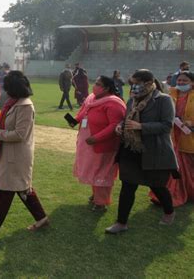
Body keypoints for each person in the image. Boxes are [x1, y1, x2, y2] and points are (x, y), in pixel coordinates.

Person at [0, 71, 48, 240]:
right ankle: (42, 218)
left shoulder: (25, 106)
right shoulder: (14, 103)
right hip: (13, 154)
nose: (3, 91)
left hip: (17, 156)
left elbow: (20, 134)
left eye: (6, 87)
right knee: (23, 188)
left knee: (5, 191)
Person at [106, 69, 178, 234]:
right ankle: (121, 222)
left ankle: (169, 211)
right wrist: (120, 126)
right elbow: (126, 119)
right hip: (131, 149)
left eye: (136, 84)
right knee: (128, 186)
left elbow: (167, 125)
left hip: (154, 150)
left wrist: (141, 127)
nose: (134, 87)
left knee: (157, 186)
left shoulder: (164, 100)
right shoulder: (132, 100)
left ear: (148, 83)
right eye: (132, 84)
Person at [71, 76, 126, 211]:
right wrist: (75, 121)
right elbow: (83, 113)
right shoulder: (91, 98)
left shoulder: (115, 103)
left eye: (98, 84)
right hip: (87, 144)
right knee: (93, 170)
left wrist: (97, 138)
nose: (94, 86)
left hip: (103, 145)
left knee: (103, 172)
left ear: (106, 88)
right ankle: (96, 194)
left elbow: (115, 125)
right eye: (95, 83)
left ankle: (101, 202)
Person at [150, 71, 194, 207]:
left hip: (188, 136)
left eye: (184, 81)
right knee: (169, 166)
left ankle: (181, 193)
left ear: (192, 83)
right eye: (179, 80)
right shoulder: (170, 94)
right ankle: (164, 195)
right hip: (170, 136)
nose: (181, 83)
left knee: (183, 168)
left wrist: (191, 123)